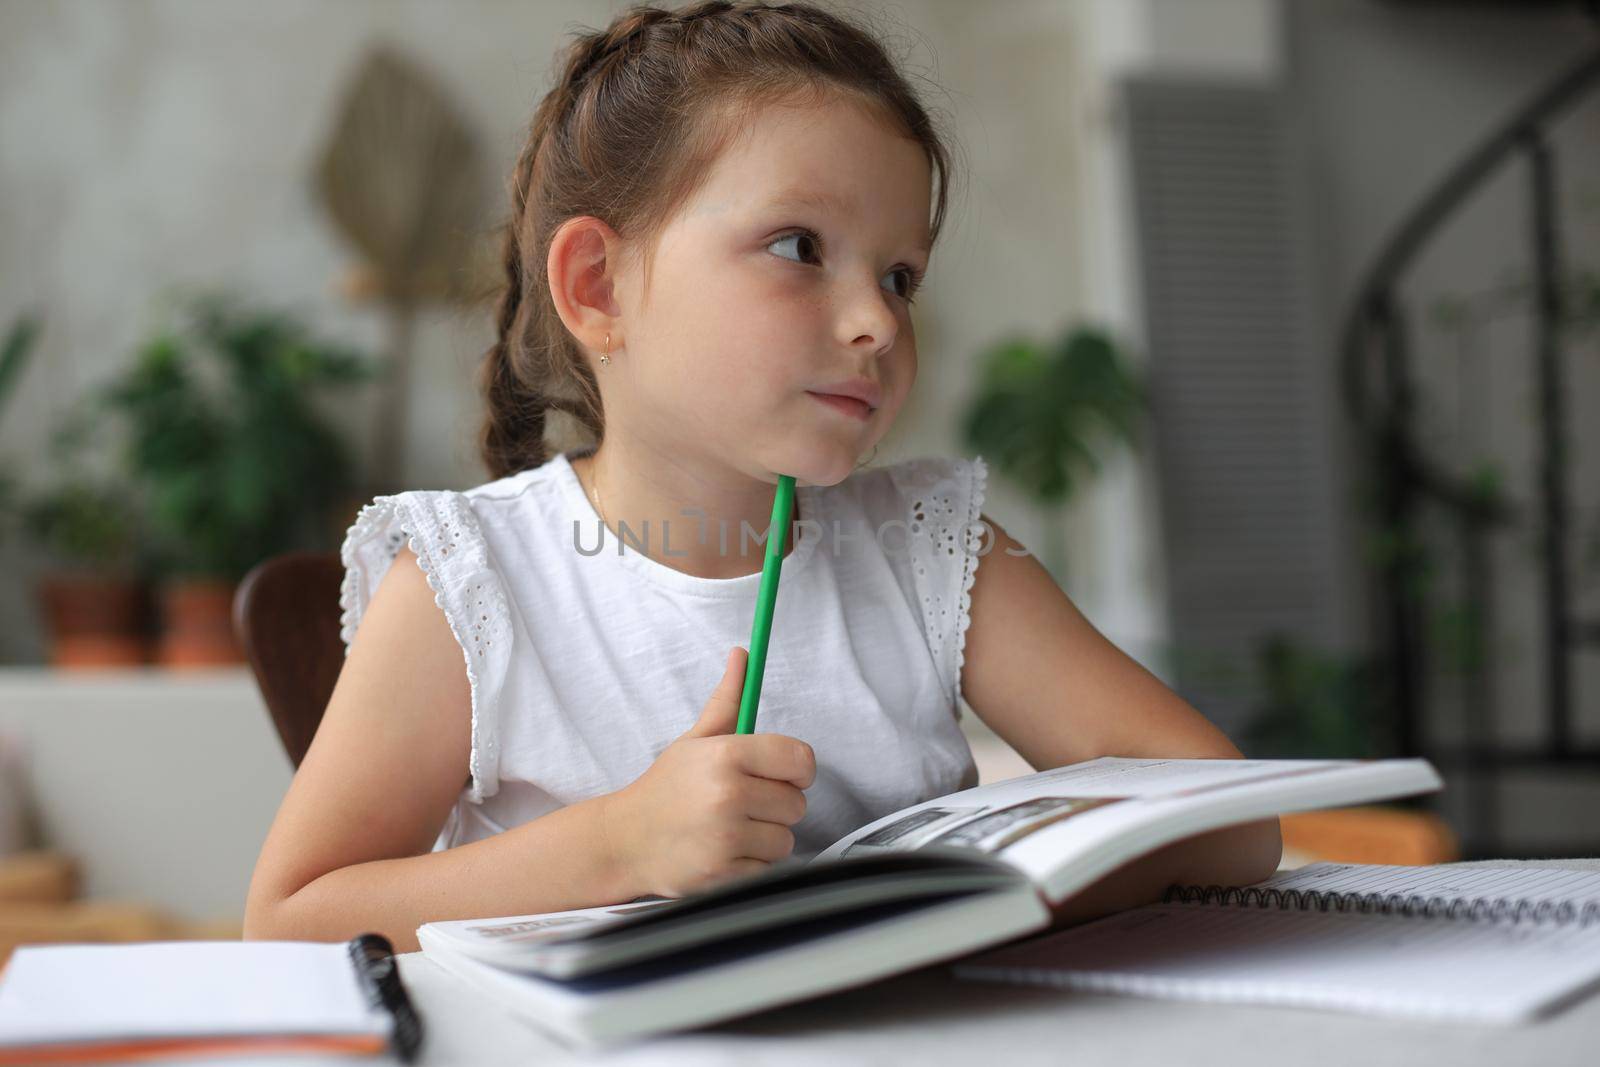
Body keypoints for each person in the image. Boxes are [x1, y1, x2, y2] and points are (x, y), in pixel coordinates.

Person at [244, 0, 1280, 952]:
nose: (877, 320)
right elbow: (289, 920)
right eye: (798, 245)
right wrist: (619, 846)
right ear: (598, 286)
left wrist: (962, 906)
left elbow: (1229, 823)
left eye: (899, 274)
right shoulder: (473, 583)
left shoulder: (932, 550)